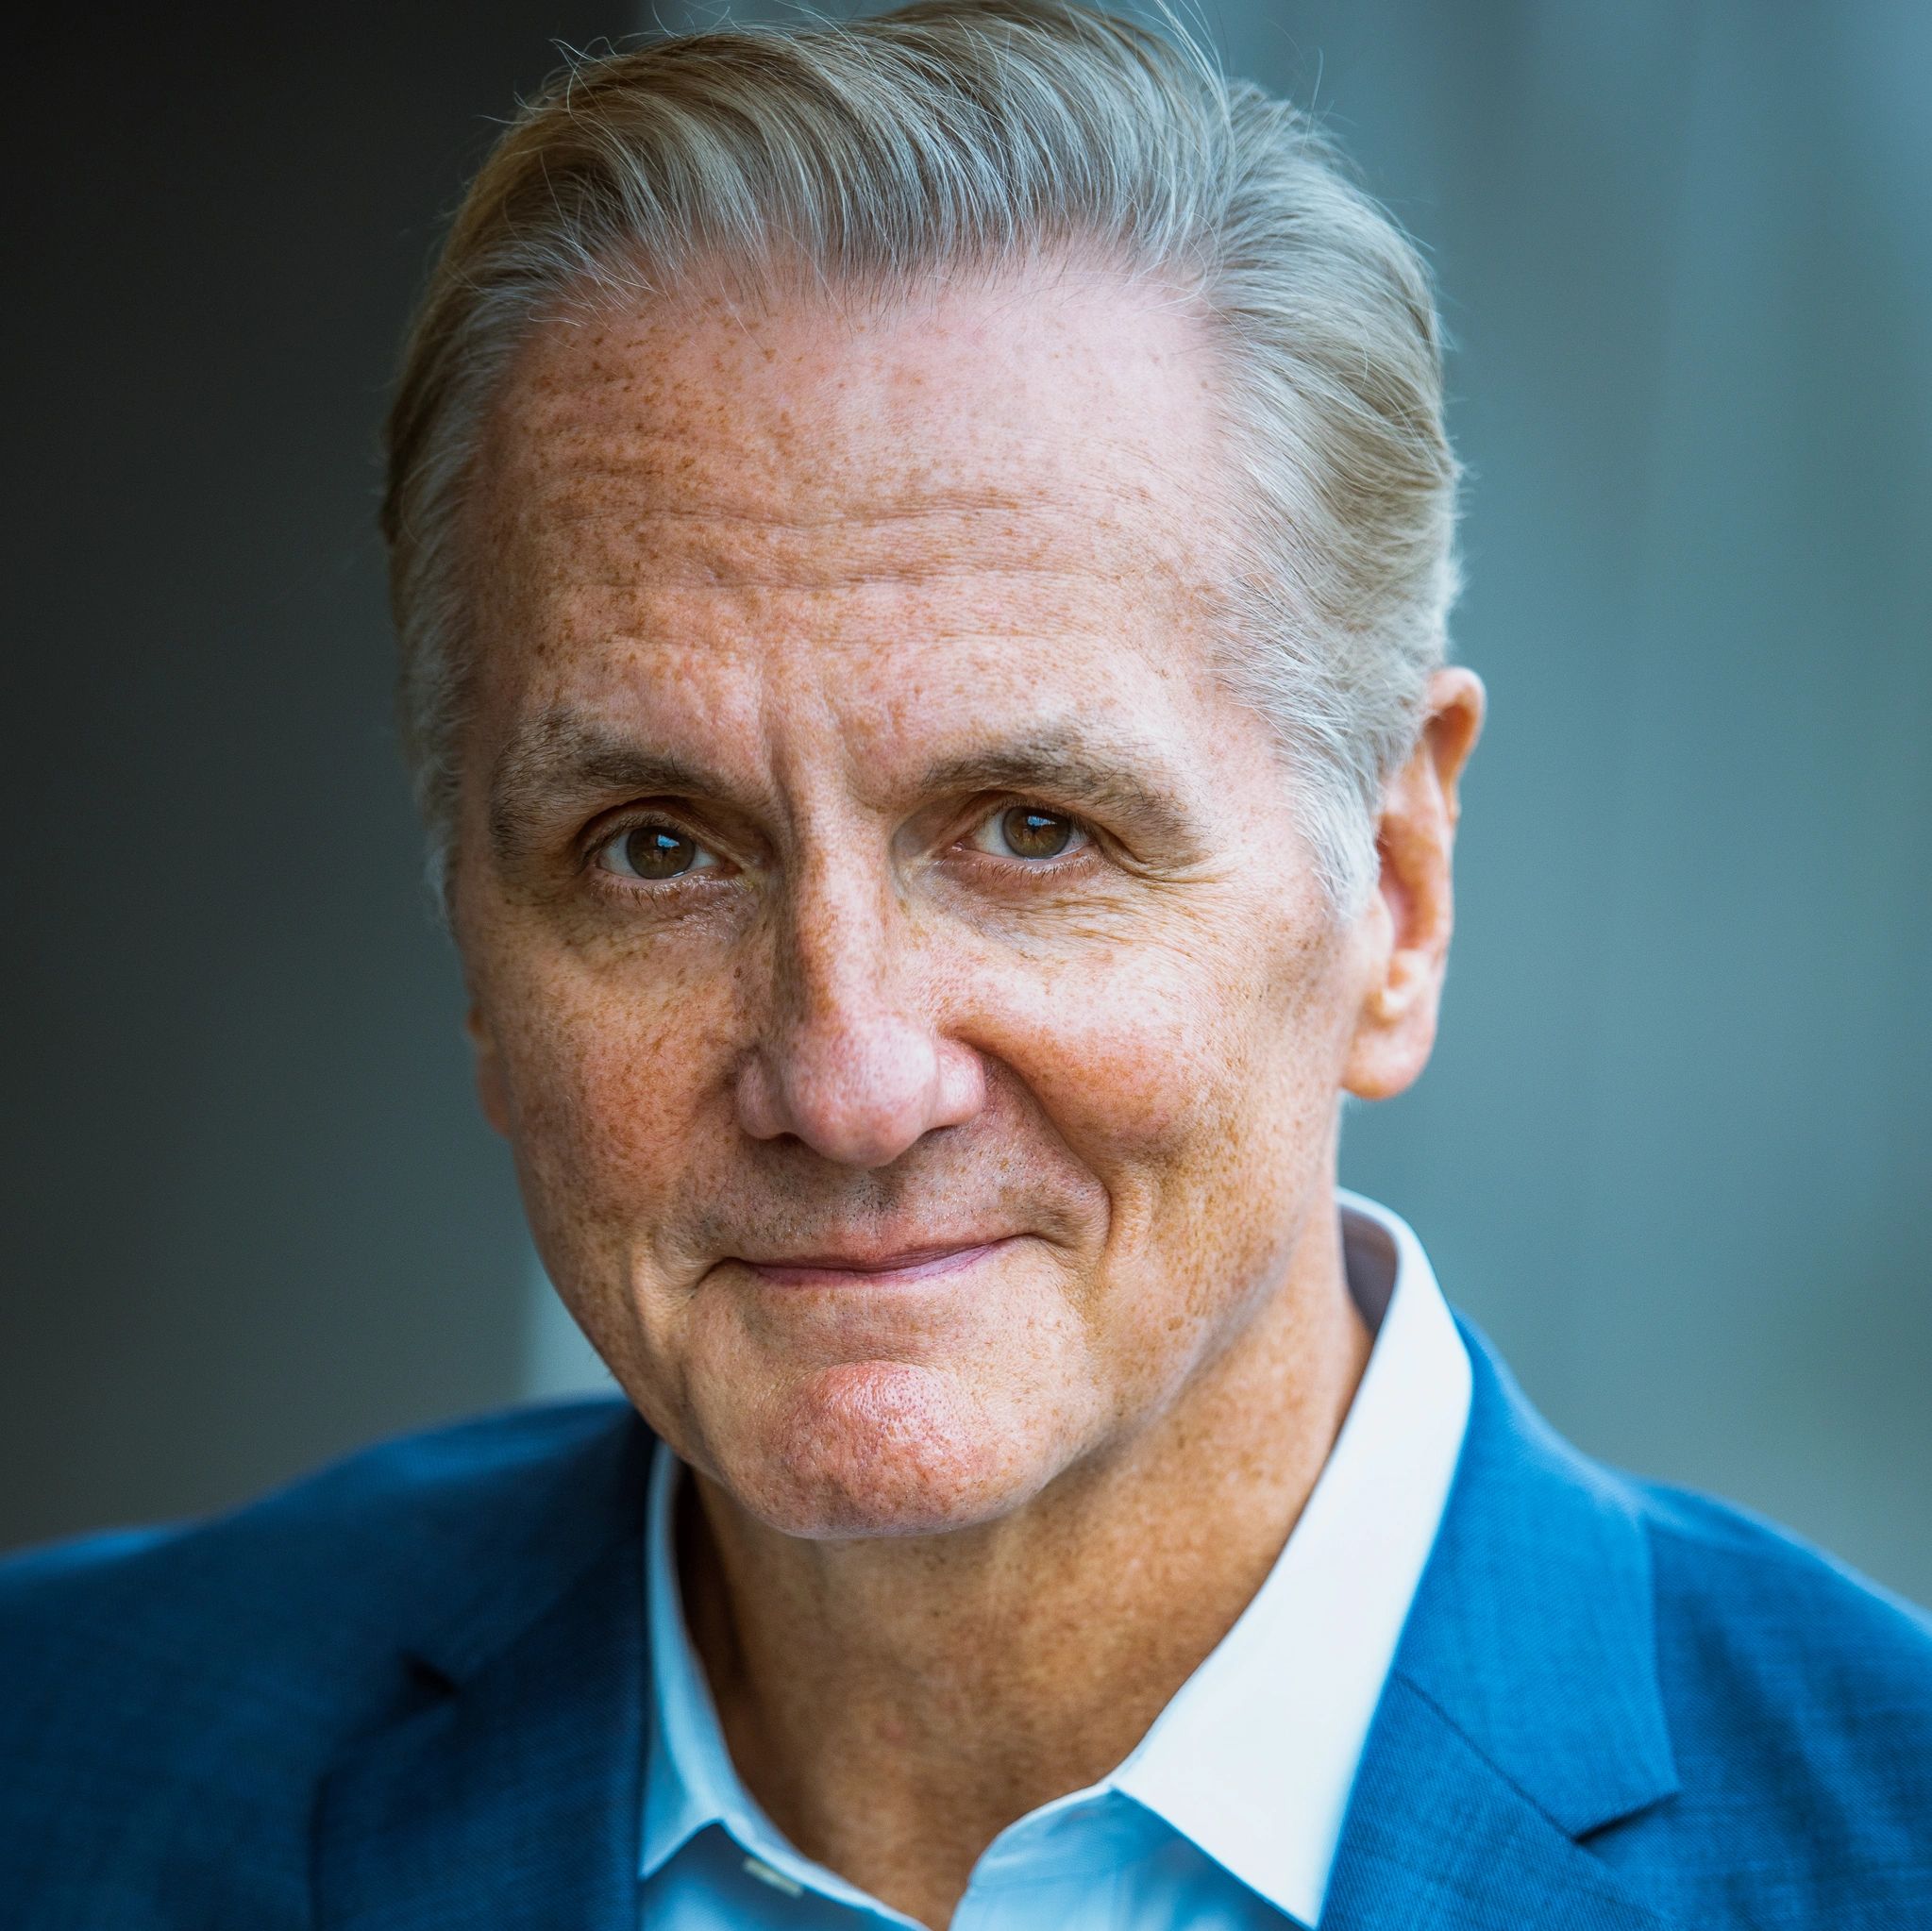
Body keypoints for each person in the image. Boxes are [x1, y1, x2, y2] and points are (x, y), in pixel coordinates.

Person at [3, 4, 1927, 1925]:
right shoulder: (60, 1766)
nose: (845, 1077)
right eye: (656, 850)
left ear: (1396, 890)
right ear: (480, 953)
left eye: (1031, 829)